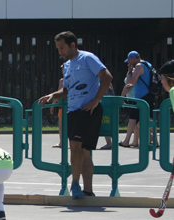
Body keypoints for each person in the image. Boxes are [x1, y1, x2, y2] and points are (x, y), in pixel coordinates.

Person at [38, 31, 113, 199]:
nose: (60, 52)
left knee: (75, 145)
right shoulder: (67, 66)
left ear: (72, 45)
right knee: (84, 150)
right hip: (72, 111)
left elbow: (107, 77)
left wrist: (95, 101)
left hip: (88, 110)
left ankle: (75, 184)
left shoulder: (87, 58)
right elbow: (66, 90)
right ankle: (88, 191)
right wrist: (53, 95)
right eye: (58, 48)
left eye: (62, 48)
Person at [121, 51, 157, 146]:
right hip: (149, 95)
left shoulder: (138, 66)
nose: (129, 64)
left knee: (133, 119)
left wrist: (130, 71)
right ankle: (155, 140)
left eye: (129, 62)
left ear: (132, 59)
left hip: (140, 96)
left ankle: (126, 141)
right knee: (148, 118)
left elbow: (131, 82)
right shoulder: (148, 64)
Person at [115, 62, 139, 148]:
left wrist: (121, 97)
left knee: (135, 121)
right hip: (131, 98)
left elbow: (128, 85)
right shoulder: (130, 73)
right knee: (136, 122)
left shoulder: (134, 74)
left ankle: (151, 138)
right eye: (128, 65)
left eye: (131, 65)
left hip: (134, 99)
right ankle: (135, 141)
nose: (129, 67)